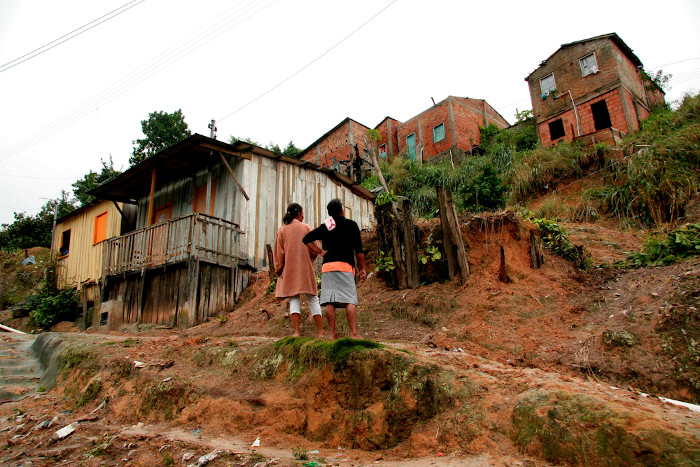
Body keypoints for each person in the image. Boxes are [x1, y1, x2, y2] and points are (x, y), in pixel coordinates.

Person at [303, 199, 367, 339]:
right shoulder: (351, 225)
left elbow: (306, 239)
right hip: (345, 266)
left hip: (328, 267)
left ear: (329, 213)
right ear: (341, 210)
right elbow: (359, 249)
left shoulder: (328, 225)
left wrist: (320, 251)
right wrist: (362, 268)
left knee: (329, 301)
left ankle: (332, 334)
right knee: (350, 299)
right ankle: (354, 333)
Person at [273, 203, 324, 338]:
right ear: (299, 214)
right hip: (306, 268)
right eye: (303, 213)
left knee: (294, 299)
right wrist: (309, 260)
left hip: (289, 269)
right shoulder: (307, 228)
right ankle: (320, 333)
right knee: (313, 299)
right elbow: (315, 250)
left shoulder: (282, 231)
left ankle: (296, 332)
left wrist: (279, 270)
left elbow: (279, 254)